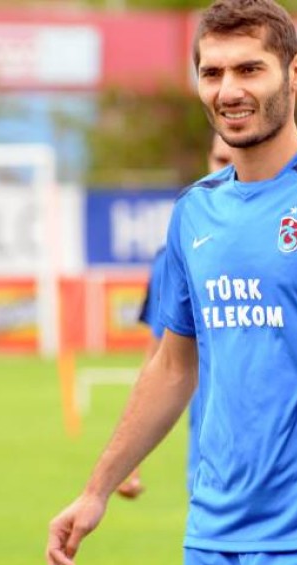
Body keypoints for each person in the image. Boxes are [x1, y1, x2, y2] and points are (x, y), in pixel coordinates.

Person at [45, 1, 297, 565]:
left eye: (249, 70)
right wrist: (96, 490)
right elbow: (172, 366)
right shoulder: (194, 210)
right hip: (213, 542)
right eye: (212, 73)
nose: (228, 90)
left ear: (295, 73)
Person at [123, 132, 234, 497]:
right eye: (219, 160)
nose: (226, 170)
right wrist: (130, 459)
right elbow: (159, 359)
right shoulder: (176, 253)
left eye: (234, 161)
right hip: (209, 460)